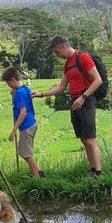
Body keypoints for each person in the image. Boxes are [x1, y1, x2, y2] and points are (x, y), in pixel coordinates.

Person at [32, 36, 102, 175]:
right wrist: (41, 94)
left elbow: (98, 80)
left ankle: (98, 172)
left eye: (57, 52)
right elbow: (61, 87)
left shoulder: (82, 57)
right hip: (75, 101)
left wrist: (83, 97)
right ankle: (92, 170)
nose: (57, 55)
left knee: (90, 139)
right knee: (83, 139)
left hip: (86, 100)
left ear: (63, 46)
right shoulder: (68, 63)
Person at [1, 67, 44, 178]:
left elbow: (23, 112)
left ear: (13, 80)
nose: (8, 86)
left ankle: (37, 176)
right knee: (25, 151)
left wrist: (13, 130)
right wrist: (14, 93)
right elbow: (24, 96)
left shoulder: (19, 92)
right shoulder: (25, 89)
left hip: (26, 126)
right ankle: (39, 172)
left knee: (25, 153)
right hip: (31, 124)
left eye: (8, 83)